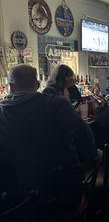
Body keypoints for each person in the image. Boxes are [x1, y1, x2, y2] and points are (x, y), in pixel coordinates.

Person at [0, 65, 98, 209]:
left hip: (21, 201)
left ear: (11, 86)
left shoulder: (2, 113)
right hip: (63, 193)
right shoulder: (56, 103)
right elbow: (84, 135)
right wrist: (91, 156)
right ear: (38, 84)